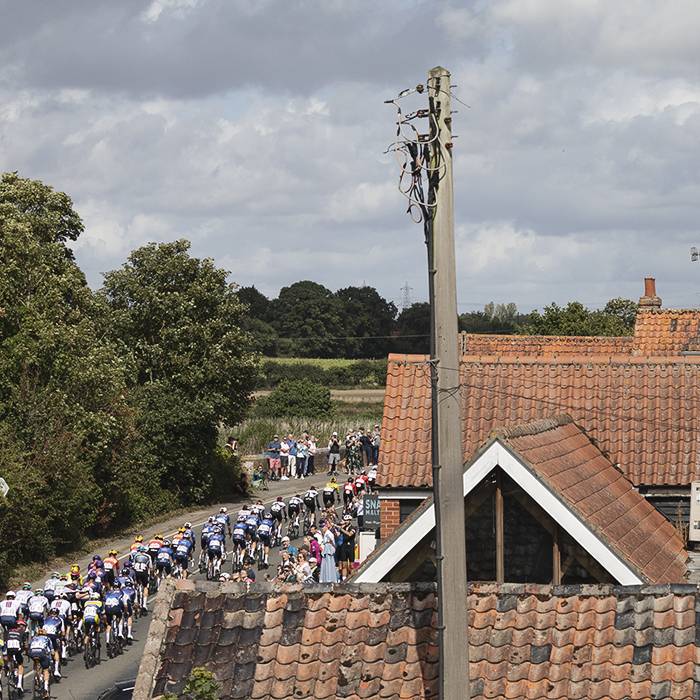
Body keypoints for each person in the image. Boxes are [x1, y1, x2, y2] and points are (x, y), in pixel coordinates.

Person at [27, 627, 58, 694]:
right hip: (41, 652)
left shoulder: (33, 638)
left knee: (35, 661)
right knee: (45, 669)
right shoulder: (47, 638)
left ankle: (36, 675)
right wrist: (52, 657)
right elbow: (52, 651)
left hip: (32, 652)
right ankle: (46, 687)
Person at [5, 618, 28, 696]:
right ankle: (19, 684)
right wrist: (27, 652)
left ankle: (9, 670)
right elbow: (26, 645)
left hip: (9, 646)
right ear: (22, 626)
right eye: (25, 627)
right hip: (16, 647)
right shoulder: (23, 632)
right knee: (20, 665)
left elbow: (6, 639)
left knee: (9, 656)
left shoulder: (9, 631)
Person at [336, 515, 357, 580]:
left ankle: (352, 578)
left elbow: (350, 534)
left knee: (352, 565)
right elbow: (337, 535)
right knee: (344, 564)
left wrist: (341, 529)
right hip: (344, 547)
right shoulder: (343, 528)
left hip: (350, 547)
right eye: (345, 520)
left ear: (350, 521)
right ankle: (344, 578)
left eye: (348, 520)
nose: (346, 522)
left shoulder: (353, 528)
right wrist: (334, 529)